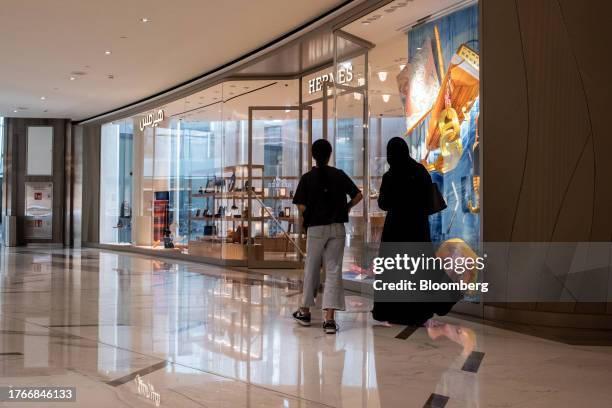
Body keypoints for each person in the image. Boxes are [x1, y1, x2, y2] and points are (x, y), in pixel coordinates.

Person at [371, 137, 458, 326]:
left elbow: (383, 203)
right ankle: (419, 311)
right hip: (417, 228)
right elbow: (429, 199)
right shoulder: (420, 171)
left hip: (396, 230)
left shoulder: (390, 176)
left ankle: (396, 312)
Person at [292, 139, 363, 334]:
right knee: (333, 270)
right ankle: (329, 319)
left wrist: (309, 213)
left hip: (316, 228)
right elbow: (358, 195)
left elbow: (300, 205)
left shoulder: (307, 178)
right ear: (330, 154)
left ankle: (305, 311)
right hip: (337, 227)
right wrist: (345, 208)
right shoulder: (339, 175)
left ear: (313, 155)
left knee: (312, 268)